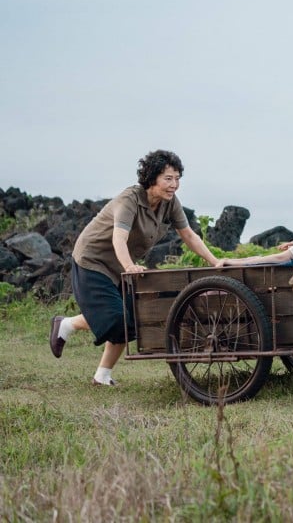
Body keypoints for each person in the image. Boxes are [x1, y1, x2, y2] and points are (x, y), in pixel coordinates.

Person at [49, 150, 225, 386]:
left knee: (132, 317)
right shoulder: (129, 199)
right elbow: (118, 239)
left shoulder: (169, 203)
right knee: (117, 318)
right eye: (168, 178)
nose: (174, 185)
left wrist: (215, 262)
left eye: (177, 178)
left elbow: (189, 235)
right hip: (94, 259)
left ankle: (102, 376)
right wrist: (130, 266)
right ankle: (66, 324)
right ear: (152, 177)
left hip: (120, 265)